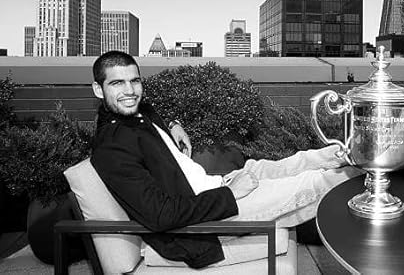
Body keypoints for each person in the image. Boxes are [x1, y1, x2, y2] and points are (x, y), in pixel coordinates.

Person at [90, 51, 363, 268]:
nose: (129, 90)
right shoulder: (111, 147)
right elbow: (160, 215)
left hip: (218, 183)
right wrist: (229, 194)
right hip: (211, 218)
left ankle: (360, 152)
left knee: (310, 159)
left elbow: (150, 110)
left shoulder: (136, 112)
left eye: (134, 81)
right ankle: (380, 170)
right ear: (99, 89)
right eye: (117, 83)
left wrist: (173, 124)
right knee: (316, 181)